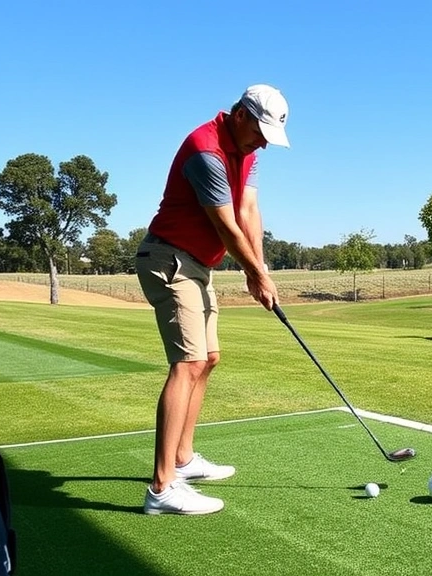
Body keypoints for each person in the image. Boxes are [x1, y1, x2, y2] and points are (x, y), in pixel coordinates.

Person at [135, 84, 287, 515]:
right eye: (260, 131)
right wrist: (254, 274)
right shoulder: (207, 151)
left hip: (197, 264)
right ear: (240, 115)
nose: (263, 143)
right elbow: (225, 227)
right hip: (169, 260)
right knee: (187, 364)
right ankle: (161, 489)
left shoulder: (247, 151)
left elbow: (249, 213)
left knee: (209, 358)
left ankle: (182, 460)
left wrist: (262, 269)